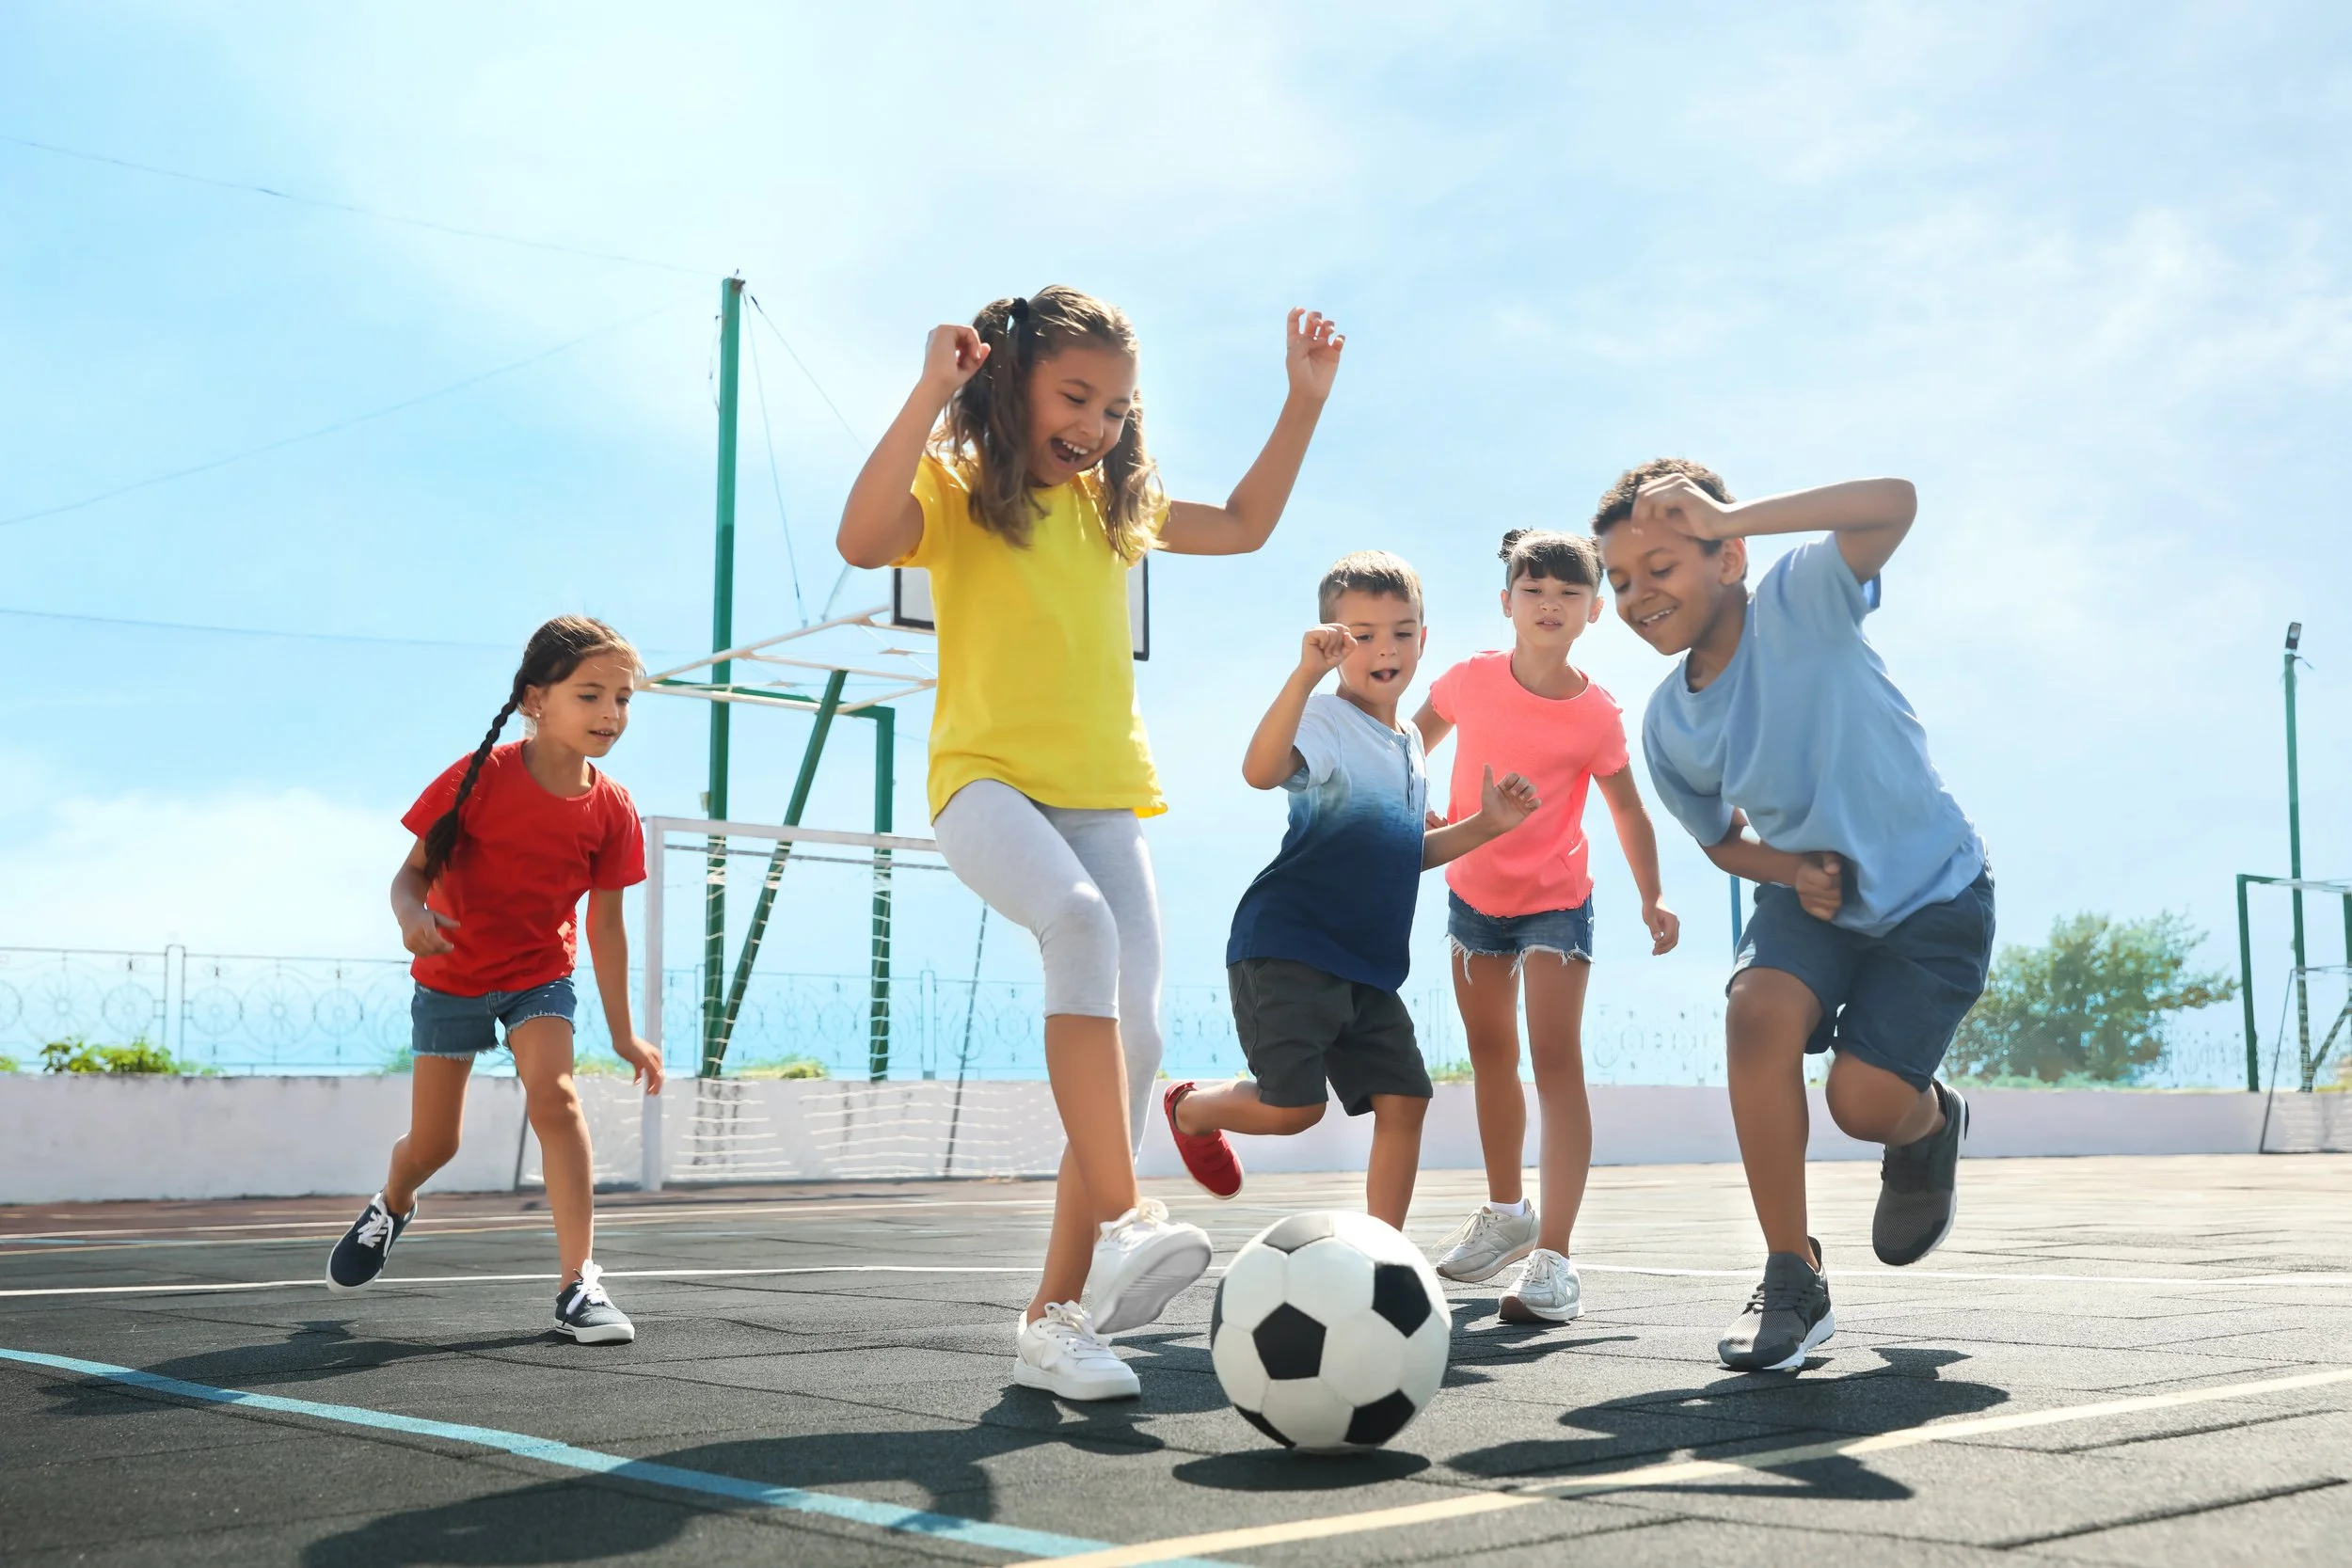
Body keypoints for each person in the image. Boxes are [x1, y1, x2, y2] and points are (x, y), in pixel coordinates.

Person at [835, 286, 1346, 1402]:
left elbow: (1248, 523)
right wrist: (931, 390)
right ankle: (1124, 1217)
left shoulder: (1118, 509)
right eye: (1075, 395)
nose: (1098, 423)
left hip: (1102, 798)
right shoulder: (959, 492)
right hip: (984, 787)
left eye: (1117, 406)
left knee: (1137, 1041)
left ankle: (1053, 1319)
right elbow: (860, 536)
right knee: (1077, 923)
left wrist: (1301, 402)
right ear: (1010, 384)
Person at [1596, 459, 1992, 1372]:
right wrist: (1793, 869)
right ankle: (1790, 1270)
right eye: (1620, 579)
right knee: (1756, 1010)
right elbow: (1721, 841)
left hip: (1935, 893)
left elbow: (1896, 499)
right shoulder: (1668, 725)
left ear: (1727, 557)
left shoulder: (1800, 597)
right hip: (1813, 899)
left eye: (1660, 565)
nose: (1636, 593)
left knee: (1863, 1103)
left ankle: (1927, 1125)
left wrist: (1738, 511)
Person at [1164, 552, 1540, 1229]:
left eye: (1402, 630)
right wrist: (1305, 675)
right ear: (1332, 641)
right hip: (1290, 946)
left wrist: (1487, 825)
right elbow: (1259, 770)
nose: (1385, 648)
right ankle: (1191, 1107)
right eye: (1362, 634)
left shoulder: (1409, 747)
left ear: (1424, 639)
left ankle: (1381, 1253)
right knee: (1293, 1110)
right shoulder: (1325, 721)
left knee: (1405, 1098)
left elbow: (1401, 854)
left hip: (1368, 967)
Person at [326, 615, 664, 1346]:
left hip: (538, 976)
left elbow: (606, 926)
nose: (611, 713)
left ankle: (579, 1283)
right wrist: (411, 915)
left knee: (557, 1096)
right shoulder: (475, 779)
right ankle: (394, 1200)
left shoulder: (613, 808)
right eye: (591, 695)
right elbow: (409, 875)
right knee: (434, 1144)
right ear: (536, 700)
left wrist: (623, 1030)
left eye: (624, 699)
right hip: (450, 976)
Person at [1415, 530, 1680, 1323]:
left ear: (1594, 611)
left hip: (1556, 900)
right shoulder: (1466, 681)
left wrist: (1652, 895)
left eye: (1568, 594)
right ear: (1507, 602)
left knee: (1554, 1061)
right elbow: (1406, 747)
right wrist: (1407, 807)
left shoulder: (1596, 716)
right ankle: (1508, 1211)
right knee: (1491, 1055)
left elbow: (1627, 808)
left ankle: (1553, 1257)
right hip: (1472, 895)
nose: (1550, 604)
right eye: (1533, 590)